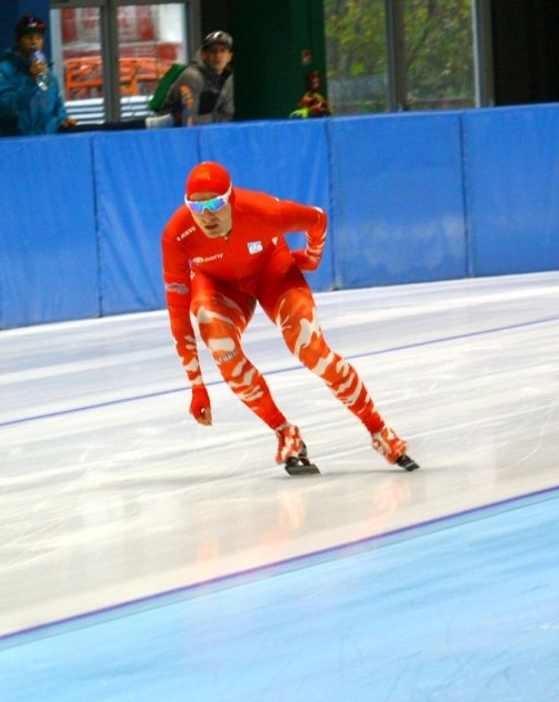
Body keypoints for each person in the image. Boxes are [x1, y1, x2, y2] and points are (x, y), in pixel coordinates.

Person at [161, 161, 418, 475]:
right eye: (196, 206)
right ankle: (285, 433)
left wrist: (311, 258)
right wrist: (196, 385)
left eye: (215, 203)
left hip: (272, 271)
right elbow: (177, 309)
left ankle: (379, 431)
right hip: (220, 286)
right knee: (219, 344)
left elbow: (318, 219)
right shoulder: (177, 234)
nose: (207, 215)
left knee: (309, 348)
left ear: (232, 199)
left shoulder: (263, 211)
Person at [0, 14, 77, 136]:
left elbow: (54, 99)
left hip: (47, 140)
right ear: (19, 40)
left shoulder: (45, 69)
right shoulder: (4, 71)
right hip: (17, 143)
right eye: (29, 37)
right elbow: (5, 110)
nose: (34, 42)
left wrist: (62, 118)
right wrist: (31, 82)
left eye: (38, 38)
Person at [156, 31, 235, 126]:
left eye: (222, 51)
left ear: (229, 57)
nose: (218, 55)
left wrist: (210, 119)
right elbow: (188, 121)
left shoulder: (227, 78)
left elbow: (227, 116)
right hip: (166, 131)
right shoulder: (192, 76)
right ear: (204, 54)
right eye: (213, 51)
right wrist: (214, 117)